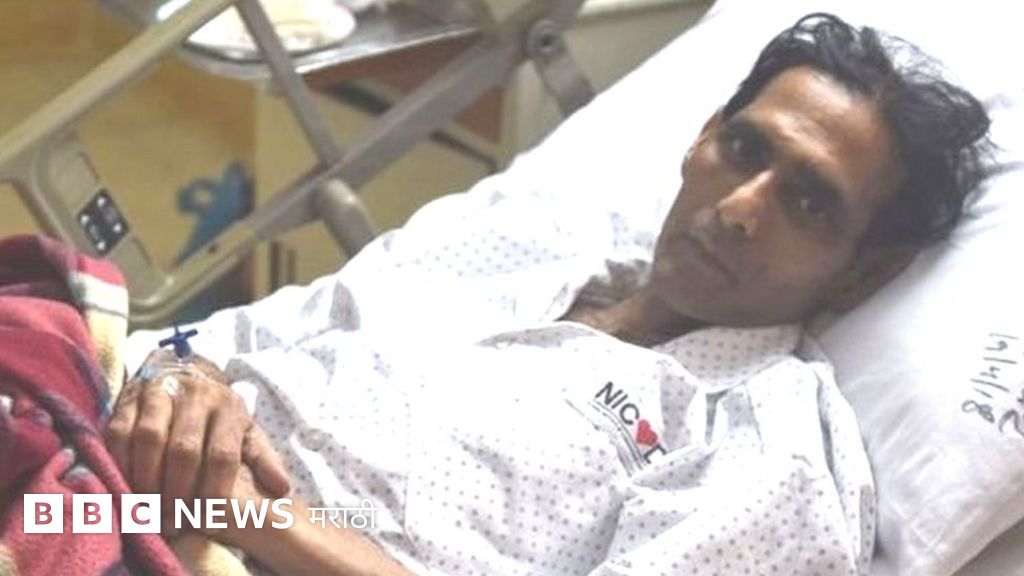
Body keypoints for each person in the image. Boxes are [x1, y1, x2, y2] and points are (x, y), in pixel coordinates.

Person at [106, 13, 991, 576]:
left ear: (864, 270)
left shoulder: (770, 457)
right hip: (112, 457)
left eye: (808, 203)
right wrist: (180, 380)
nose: (740, 208)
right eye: (746, 150)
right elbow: (211, 340)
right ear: (703, 136)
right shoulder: (528, 244)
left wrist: (259, 520)